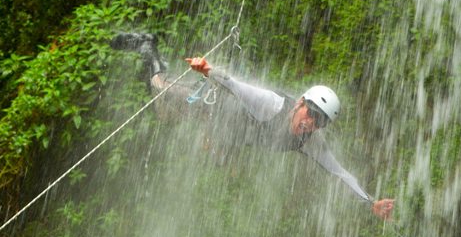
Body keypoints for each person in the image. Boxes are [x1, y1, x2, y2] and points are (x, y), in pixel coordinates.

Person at [111, 33, 395, 220]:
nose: (310, 122)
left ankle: (212, 142)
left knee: (220, 162)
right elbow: (236, 86)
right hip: (210, 107)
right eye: (311, 113)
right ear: (299, 103)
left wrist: (370, 201)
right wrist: (207, 70)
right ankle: (148, 48)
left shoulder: (310, 141)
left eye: (319, 121)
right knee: (161, 97)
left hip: (228, 134)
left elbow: (340, 173)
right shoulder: (271, 105)